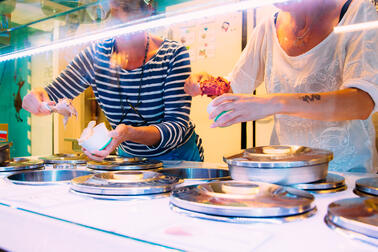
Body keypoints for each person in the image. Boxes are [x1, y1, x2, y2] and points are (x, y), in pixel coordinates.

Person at [185, 0, 378, 172]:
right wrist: (207, 84)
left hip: (344, 171)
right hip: (286, 168)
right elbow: (234, 86)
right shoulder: (267, 28)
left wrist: (273, 103)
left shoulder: (357, 11)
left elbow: (362, 103)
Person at [22, 0, 204, 162]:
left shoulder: (173, 54)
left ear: (148, 9)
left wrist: (128, 133)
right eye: (110, 12)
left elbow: (176, 126)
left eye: (127, 8)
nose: (119, 19)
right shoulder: (96, 55)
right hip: (128, 157)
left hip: (177, 157)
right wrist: (37, 98)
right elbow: (52, 94)